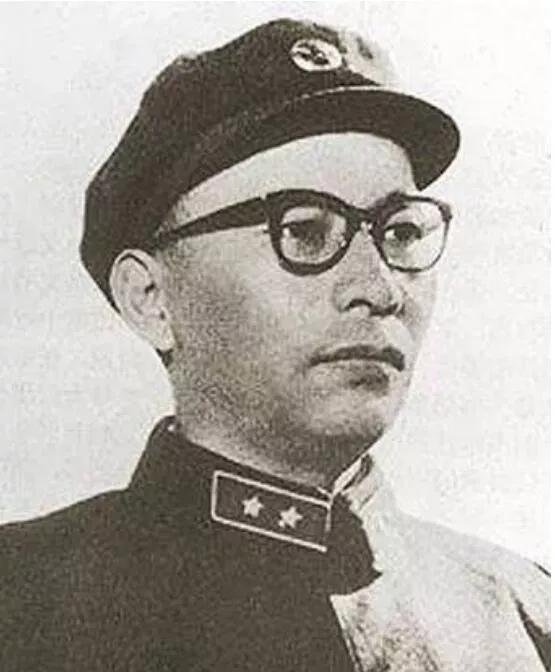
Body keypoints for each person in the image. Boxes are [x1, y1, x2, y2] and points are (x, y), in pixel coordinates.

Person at [0, 17, 549, 672]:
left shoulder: (519, 617)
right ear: (150, 298)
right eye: (305, 230)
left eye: (400, 233)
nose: (379, 288)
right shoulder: (24, 603)